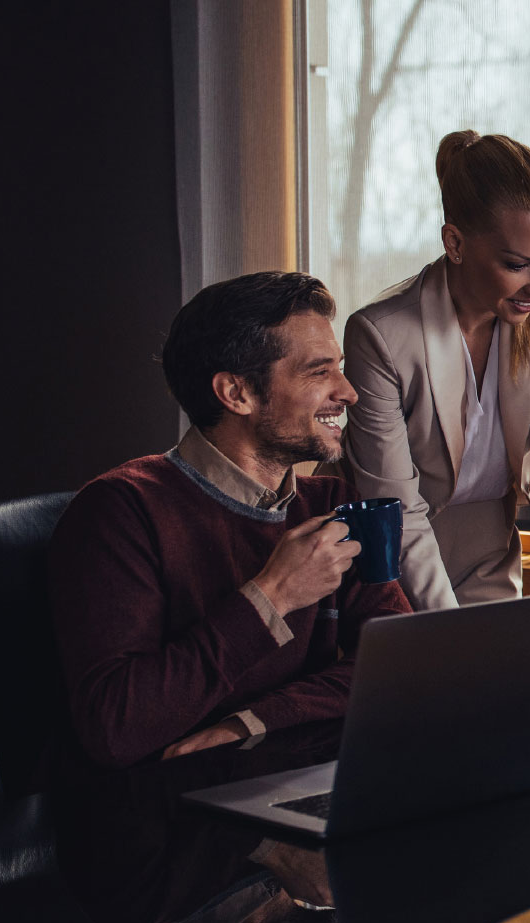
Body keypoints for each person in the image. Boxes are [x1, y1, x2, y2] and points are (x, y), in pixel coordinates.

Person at [49, 272, 412, 770]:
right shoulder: (118, 512)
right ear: (236, 393)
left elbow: (400, 668)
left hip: (295, 780)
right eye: (318, 372)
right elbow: (116, 727)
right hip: (171, 815)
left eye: (339, 369)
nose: (347, 391)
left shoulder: (333, 502)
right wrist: (274, 595)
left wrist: (251, 721)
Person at [341, 131, 530, 610]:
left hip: (488, 546)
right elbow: (398, 509)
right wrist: (451, 631)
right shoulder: (381, 336)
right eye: (518, 264)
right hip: (384, 563)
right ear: (455, 243)